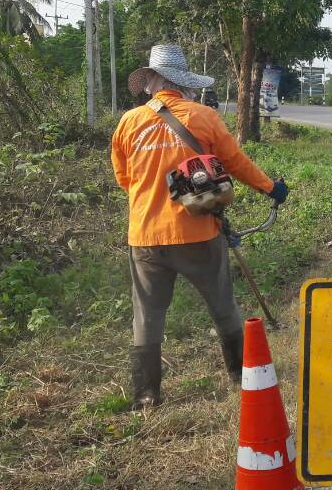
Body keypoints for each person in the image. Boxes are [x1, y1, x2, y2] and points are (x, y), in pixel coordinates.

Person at [111, 44, 289, 408]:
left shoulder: (129, 122)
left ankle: (146, 395)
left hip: (145, 237)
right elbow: (235, 162)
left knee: (147, 315)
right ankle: (240, 376)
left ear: (153, 81)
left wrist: (152, 200)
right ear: (183, 83)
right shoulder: (203, 116)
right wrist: (271, 188)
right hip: (197, 232)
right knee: (222, 304)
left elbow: (124, 178)